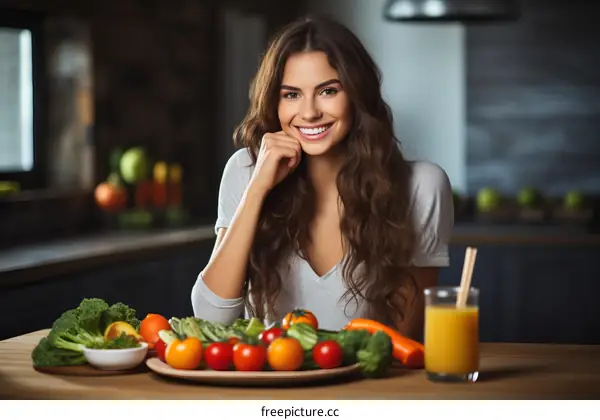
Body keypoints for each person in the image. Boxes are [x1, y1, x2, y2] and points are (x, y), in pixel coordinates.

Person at [191, 15, 454, 341]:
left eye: (328, 91)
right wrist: (258, 189)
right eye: (291, 95)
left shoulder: (422, 186)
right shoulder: (246, 170)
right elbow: (210, 318)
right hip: (269, 387)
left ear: (357, 94)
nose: (310, 112)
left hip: (365, 389)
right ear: (274, 102)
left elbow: (401, 344)